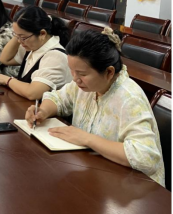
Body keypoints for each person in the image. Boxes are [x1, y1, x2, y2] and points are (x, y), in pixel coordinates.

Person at [25, 28, 165, 187]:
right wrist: (43, 110)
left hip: (134, 187)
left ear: (109, 72)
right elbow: (59, 98)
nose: (75, 79)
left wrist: (86, 139)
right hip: (95, 173)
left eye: (82, 74)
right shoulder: (85, 85)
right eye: (72, 71)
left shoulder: (129, 99)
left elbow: (145, 158)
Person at [0, 6, 72, 100]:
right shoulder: (33, 46)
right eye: (17, 36)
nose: (19, 41)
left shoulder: (55, 56)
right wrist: (19, 34)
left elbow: (33, 93)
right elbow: (4, 59)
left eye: (23, 37)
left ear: (42, 34)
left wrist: (7, 80)